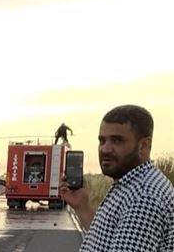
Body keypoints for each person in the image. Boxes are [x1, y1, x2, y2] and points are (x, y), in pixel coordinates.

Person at [60, 105, 174, 251]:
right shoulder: (131, 184)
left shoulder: (144, 197)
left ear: (144, 146)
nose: (105, 149)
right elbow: (106, 239)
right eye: (102, 141)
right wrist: (82, 206)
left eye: (117, 141)